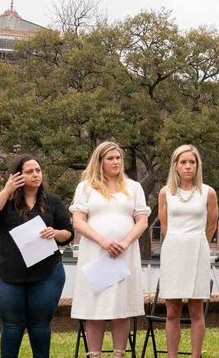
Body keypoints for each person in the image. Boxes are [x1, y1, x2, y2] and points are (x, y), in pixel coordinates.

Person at [0, 154, 74, 358]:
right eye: (29, 171)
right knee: (12, 326)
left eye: (38, 170)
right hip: (7, 273)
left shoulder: (52, 201)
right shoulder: (8, 200)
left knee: (40, 326)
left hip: (47, 273)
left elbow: (68, 233)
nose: (35, 175)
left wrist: (55, 233)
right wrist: (7, 190)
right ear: (18, 175)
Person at [70, 141, 151, 358]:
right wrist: (104, 241)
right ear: (100, 161)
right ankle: (94, 354)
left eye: (118, 158)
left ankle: (119, 354)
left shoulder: (134, 187)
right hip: (96, 253)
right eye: (110, 158)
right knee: (94, 307)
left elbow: (142, 221)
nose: (116, 162)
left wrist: (124, 242)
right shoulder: (86, 187)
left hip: (124, 254)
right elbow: (78, 221)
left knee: (120, 307)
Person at [157, 144, 219, 358]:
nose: (188, 166)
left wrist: (199, 243)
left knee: (196, 310)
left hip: (197, 249)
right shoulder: (165, 193)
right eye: (183, 162)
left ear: (198, 165)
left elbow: (211, 225)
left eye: (192, 162)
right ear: (175, 165)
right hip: (173, 250)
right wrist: (178, 241)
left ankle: (195, 355)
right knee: (172, 311)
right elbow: (164, 226)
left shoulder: (208, 192)